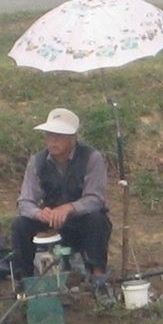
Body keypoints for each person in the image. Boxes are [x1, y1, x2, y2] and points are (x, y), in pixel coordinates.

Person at [11, 107, 113, 302]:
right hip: (50, 218)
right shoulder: (37, 161)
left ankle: (98, 276)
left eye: (59, 136)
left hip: (80, 219)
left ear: (73, 138)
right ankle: (23, 280)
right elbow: (25, 201)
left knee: (98, 220)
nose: (53, 141)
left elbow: (95, 198)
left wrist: (69, 208)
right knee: (20, 225)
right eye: (50, 135)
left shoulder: (92, 158)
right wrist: (40, 214)